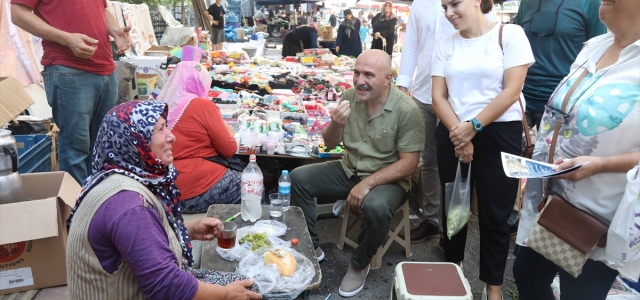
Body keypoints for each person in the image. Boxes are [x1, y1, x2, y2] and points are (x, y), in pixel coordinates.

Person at [65, 101, 262, 300]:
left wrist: (189, 230)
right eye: (159, 130)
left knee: (247, 284)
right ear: (135, 141)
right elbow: (167, 286)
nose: (171, 136)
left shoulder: (113, 178)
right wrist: (227, 295)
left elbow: (142, 238)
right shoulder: (129, 205)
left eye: (166, 126)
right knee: (250, 290)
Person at [513, 0, 640, 298]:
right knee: (525, 276)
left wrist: (600, 165)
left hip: (597, 220)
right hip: (552, 201)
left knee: (579, 295)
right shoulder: (594, 46)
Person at [290, 49, 425, 298]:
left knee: (375, 206)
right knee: (298, 178)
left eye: (369, 75)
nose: (360, 80)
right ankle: (313, 248)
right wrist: (336, 123)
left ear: (388, 79)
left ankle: (359, 264)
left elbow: (409, 164)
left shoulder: (406, 110)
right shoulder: (350, 97)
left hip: (389, 179)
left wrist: (368, 184)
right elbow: (330, 144)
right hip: (349, 169)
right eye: (357, 72)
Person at [431, 0, 534, 298]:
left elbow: (512, 89)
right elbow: (439, 96)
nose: (449, 13)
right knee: (454, 209)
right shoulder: (445, 43)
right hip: (453, 130)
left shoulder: (509, 34)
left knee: (496, 213)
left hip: (499, 132)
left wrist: (473, 127)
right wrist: (460, 136)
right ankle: (453, 271)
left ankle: (493, 287)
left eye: (454, 4)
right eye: (444, 7)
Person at [397, 0, 501, 245]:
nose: (449, 12)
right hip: (424, 92)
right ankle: (432, 220)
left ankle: (453, 230)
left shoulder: (471, 4)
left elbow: (486, 37)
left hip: (458, 99)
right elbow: (411, 45)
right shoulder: (421, 4)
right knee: (430, 163)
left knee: (456, 165)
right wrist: (403, 84)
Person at [11, 0, 132, 185]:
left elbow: (101, 9)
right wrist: (66, 39)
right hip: (69, 68)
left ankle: (96, 205)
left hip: (106, 68)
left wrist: (116, 30)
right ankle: (77, 210)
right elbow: (18, 13)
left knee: (101, 148)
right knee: (75, 150)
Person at [157, 61, 240, 214]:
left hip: (165, 188)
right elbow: (228, 149)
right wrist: (229, 133)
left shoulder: (159, 105)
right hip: (193, 187)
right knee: (252, 184)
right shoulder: (202, 106)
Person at [516, 0, 606, 131]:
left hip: (562, 103)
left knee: (552, 152)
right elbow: (518, 46)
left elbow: (599, 53)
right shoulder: (527, 3)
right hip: (522, 99)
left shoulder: (589, 3)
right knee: (510, 151)